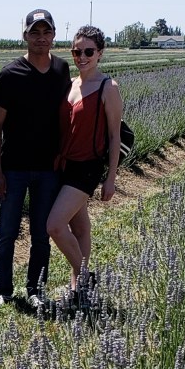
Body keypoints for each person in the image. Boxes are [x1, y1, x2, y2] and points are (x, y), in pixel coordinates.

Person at [0, 8, 71, 308]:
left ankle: (36, 289)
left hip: (48, 169)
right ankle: (3, 290)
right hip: (14, 168)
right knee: (7, 232)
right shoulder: (10, 75)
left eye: (46, 32)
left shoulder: (61, 70)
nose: (41, 38)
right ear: (25, 36)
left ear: (54, 36)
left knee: (41, 233)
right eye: (35, 32)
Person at [46, 25, 122, 301]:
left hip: (87, 167)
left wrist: (111, 179)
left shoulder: (108, 88)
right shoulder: (70, 84)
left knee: (55, 225)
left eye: (89, 52)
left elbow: (114, 136)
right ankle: (78, 288)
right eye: (77, 52)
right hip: (64, 165)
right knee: (80, 228)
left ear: (100, 53)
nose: (82, 57)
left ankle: (84, 276)